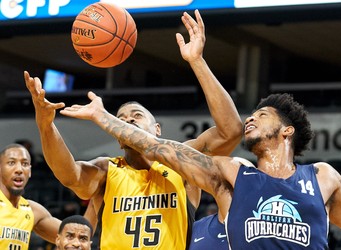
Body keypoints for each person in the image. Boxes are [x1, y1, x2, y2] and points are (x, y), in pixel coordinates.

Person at [24, 9, 242, 250]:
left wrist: (197, 61)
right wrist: (46, 125)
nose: (128, 121)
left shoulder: (182, 163)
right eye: (121, 119)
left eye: (137, 116)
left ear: (157, 129)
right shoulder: (106, 171)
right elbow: (69, 174)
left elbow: (230, 131)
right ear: (118, 139)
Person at [60, 92, 341, 249]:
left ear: (286, 130)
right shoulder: (233, 172)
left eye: (261, 114)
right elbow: (158, 147)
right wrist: (104, 119)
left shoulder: (322, 177)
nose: (250, 118)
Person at [0, 143, 61, 249]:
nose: (19, 169)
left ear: (30, 171)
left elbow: (75, 234)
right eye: (11, 163)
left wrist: (94, 200)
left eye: (24, 164)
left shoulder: (33, 210)